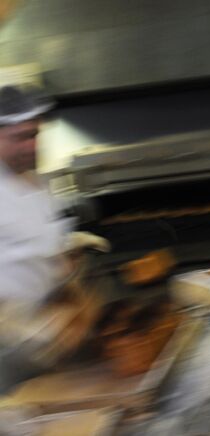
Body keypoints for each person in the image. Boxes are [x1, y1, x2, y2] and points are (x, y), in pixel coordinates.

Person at [0, 85, 108, 393]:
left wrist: (68, 259)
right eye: (19, 137)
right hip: (8, 349)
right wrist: (14, 325)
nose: (31, 146)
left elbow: (42, 244)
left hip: (52, 334)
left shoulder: (34, 180)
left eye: (34, 135)